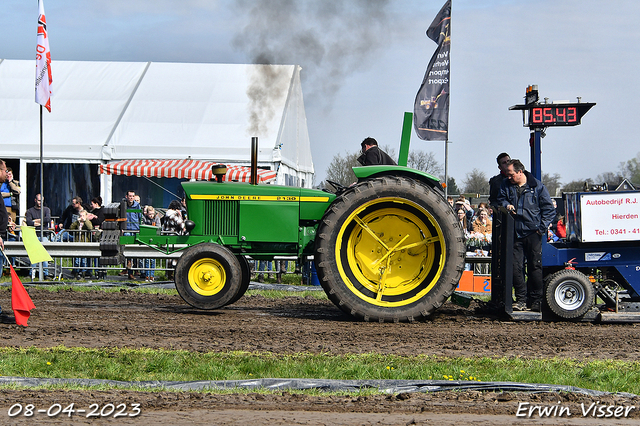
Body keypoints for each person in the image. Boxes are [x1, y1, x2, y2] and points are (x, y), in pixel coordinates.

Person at [497, 159, 556, 312]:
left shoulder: (537, 187)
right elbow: (500, 199)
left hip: (532, 233)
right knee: (515, 267)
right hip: (515, 233)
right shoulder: (506, 185)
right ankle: (521, 299)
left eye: (511, 175)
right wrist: (506, 205)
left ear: (520, 172)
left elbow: (549, 209)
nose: (508, 177)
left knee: (534, 267)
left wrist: (541, 228)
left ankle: (536, 300)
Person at [25, 194, 52, 279]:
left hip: (44, 234)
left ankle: (45, 274)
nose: (40, 202)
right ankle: (31, 273)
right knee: (34, 255)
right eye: (39, 200)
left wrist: (36, 221)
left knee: (44, 255)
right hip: (34, 235)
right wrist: (41, 221)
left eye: (42, 201)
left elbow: (48, 219)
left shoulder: (46, 209)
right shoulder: (30, 211)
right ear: (35, 200)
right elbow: (29, 221)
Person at [69, 209, 94, 279]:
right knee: (77, 260)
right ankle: (76, 274)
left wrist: (85, 221)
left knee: (84, 260)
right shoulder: (77, 223)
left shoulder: (88, 222)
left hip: (85, 243)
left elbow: (90, 228)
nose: (81, 217)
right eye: (80, 215)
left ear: (86, 216)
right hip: (77, 243)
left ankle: (83, 274)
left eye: (83, 215)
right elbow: (71, 228)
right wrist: (77, 221)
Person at [123, 190, 142, 280]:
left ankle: (135, 270)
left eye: (132, 196)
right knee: (128, 251)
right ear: (126, 196)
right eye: (129, 196)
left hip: (135, 230)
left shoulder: (137, 206)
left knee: (135, 251)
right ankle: (129, 272)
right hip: (126, 229)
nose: (131, 198)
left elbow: (139, 217)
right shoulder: (123, 205)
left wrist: (139, 228)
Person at [140, 205, 161, 281]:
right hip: (146, 239)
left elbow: (158, 227)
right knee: (147, 259)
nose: (151, 215)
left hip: (154, 240)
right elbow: (142, 227)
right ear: (147, 214)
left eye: (152, 214)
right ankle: (147, 275)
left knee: (152, 259)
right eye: (150, 214)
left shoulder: (157, 218)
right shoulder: (144, 218)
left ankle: (152, 275)